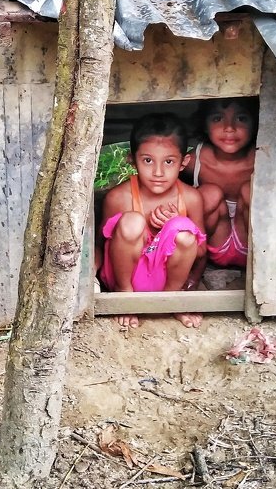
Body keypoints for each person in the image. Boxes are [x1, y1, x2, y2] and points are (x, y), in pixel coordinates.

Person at [99, 113, 207, 329]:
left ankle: (170, 301)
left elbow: (202, 252)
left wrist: (177, 223)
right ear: (132, 159)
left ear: (184, 162)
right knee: (132, 221)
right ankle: (126, 300)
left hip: (167, 281)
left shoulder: (190, 198)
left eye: (168, 162)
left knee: (183, 230)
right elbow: (104, 249)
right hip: (126, 278)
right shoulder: (119, 197)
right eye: (148, 161)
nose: (158, 172)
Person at [184, 97, 258, 274]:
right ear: (204, 125)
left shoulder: (264, 160)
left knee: (252, 189)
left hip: (255, 252)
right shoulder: (193, 162)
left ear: (256, 123)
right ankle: (194, 265)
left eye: (241, 118)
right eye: (217, 118)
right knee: (210, 193)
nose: (229, 128)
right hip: (210, 249)